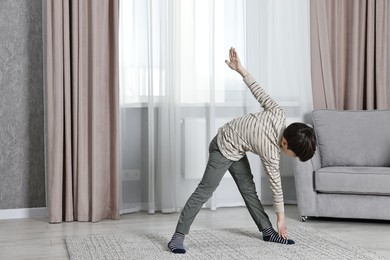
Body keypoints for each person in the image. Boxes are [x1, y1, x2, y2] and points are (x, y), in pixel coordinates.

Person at [168, 47, 317, 254]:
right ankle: (178, 236)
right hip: (222, 146)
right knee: (205, 191)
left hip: (237, 150)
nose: (293, 158)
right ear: (285, 143)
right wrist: (282, 218)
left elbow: (257, 90)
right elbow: (276, 186)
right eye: (295, 155)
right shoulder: (271, 151)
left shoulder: (278, 113)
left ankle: (267, 231)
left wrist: (240, 69)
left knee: (249, 190)